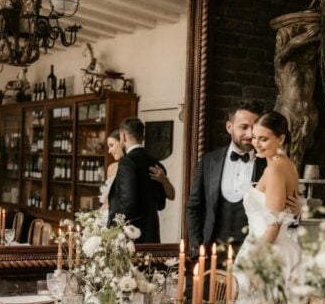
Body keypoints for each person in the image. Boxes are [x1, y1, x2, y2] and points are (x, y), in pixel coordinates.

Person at [186, 100, 300, 259]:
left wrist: (296, 212)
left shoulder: (270, 163)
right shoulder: (209, 161)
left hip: (254, 250)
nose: (249, 134)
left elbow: (282, 214)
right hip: (212, 253)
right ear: (229, 127)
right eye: (244, 127)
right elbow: (194, 207)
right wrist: (196, 247)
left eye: (253, 128)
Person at [234, 111, 302, 282]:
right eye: (255, 137)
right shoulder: (288, 165)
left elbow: (274, 224)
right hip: (280, 245)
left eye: (264, 139)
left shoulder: (275, 170)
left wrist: (256, 263)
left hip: (268, 249)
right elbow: (286, 210)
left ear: (280, 139)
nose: (256, 144)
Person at [108, 118, 167, 243]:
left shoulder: (127, 162)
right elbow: (161, 204)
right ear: (142, 137)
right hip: (151, 235)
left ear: (123, 135)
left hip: (131, 237)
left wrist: (112, 232)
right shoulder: (157, 163)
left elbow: (127, 202)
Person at [102, 128, 176, 210]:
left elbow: (171, 196)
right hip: (111, 218)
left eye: (111, 145)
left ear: (122, 141)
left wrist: (164, 180)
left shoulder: (145, 165)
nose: (109, 151)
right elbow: (107, 203)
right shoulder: (111, 168)